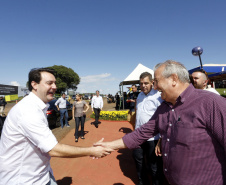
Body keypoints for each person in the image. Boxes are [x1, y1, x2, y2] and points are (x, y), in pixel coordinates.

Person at [94, 60, 226, 185]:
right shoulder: (164, 107)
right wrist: (109, 146)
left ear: (174, 79)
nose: (155, 87)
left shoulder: (211, 103)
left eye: (156, 81)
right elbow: (142, 132)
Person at [0, 68, 113, 185]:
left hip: (41, 174)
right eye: (49, 83)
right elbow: (53, 149)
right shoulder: (28, 110)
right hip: (24, 180)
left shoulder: (39, 106)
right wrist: (92, 151)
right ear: (34, 84)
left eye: (55, 83)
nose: (55, 87)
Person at [132, 72, 163, 185]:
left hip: (153, 137)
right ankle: (142, 181)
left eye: (146, 83)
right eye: (141, 83)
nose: (143, 86)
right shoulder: (139, 95)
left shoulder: (159, 96)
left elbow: (163, 117)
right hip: (138, 135)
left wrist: (161, 138)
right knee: (138, 161)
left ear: (152, 82)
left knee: (154, 166)